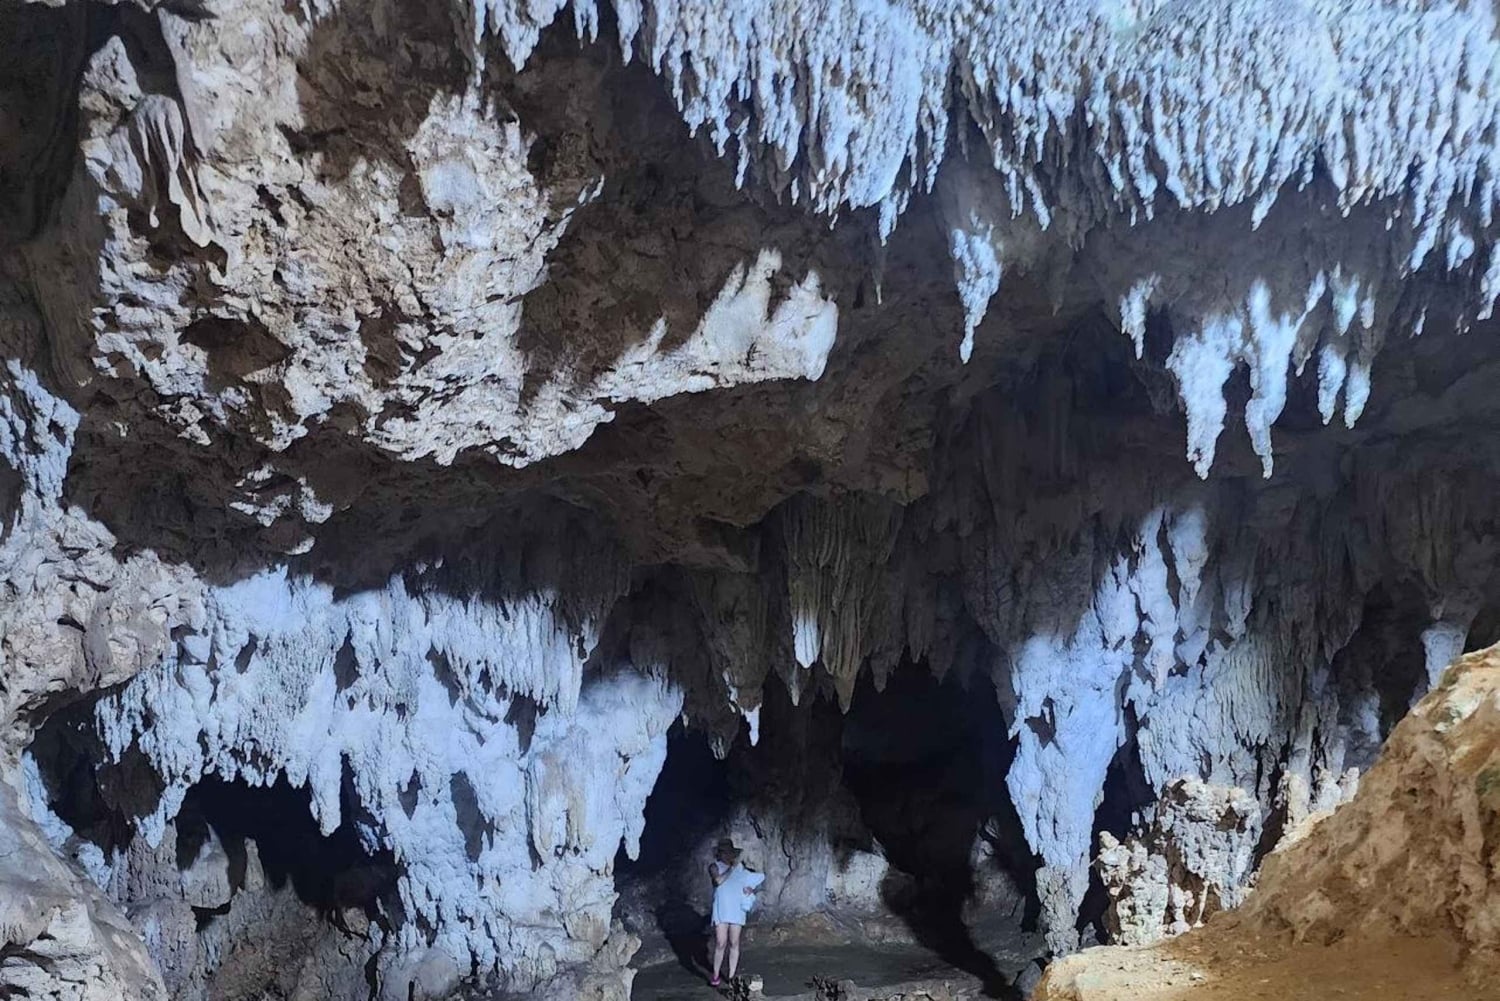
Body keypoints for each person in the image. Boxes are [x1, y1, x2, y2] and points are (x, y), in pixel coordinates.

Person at [706, 837, 764, 986]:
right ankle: (716, 974)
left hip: (736, 909)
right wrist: (731, 869)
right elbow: (718, 881)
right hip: (721, 909)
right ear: (720, 854)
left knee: (734, 942)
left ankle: (731, 977)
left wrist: (750, 889)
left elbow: (754, 880)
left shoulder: (741, 870)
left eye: (729, 853)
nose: (727, 855)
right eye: (724, 853)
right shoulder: (714, 867)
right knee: (720, 943)